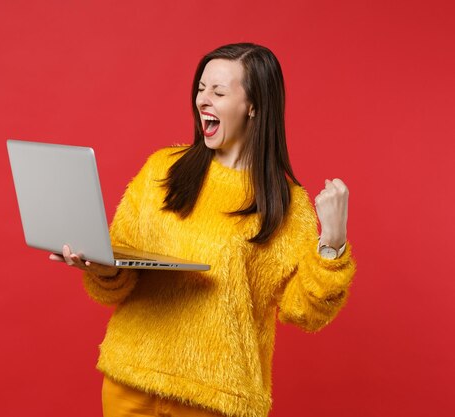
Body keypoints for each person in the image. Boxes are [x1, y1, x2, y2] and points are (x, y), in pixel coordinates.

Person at [49, 43, 356, 417]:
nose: (203, 100)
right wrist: (101, 267)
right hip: (129, 379)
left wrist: (333, 242)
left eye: (219, 92)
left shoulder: (286, 204)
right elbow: (121, 275)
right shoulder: (163, 169)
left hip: (216, 398)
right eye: (201, 88)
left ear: (253, 105)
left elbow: (304, 313)